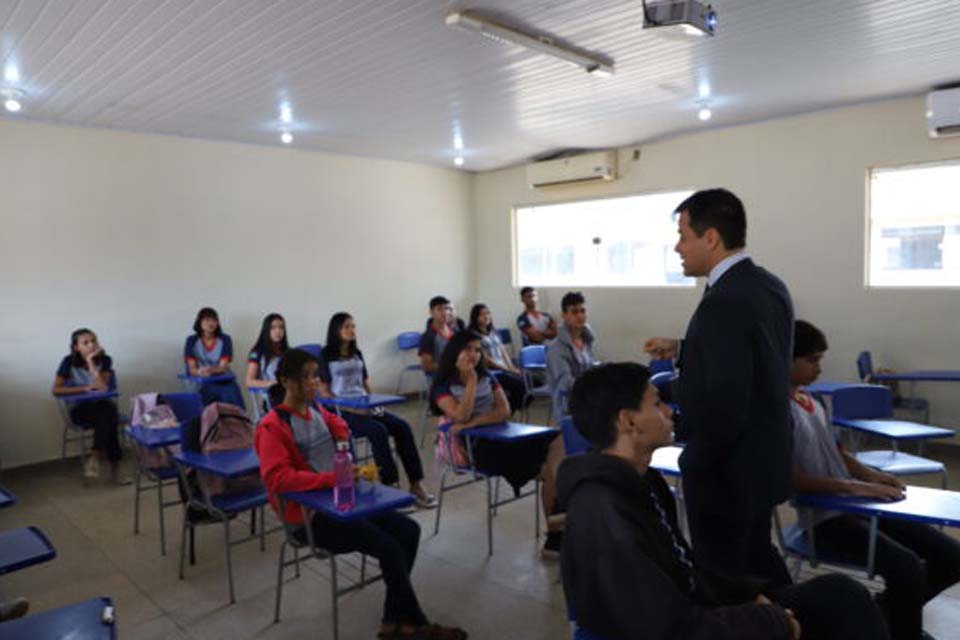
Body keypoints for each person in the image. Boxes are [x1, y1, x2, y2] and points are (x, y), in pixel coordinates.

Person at [558, 362, 889, 640]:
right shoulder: (603, 510)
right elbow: (666, 627)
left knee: (841, 595)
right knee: (832, 614)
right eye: (657, 404)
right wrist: (770, 621)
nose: (669, 412)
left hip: (692, 611)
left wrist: (747, 595)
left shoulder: (644, 481)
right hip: (674, 628)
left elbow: (684, 568)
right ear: (628, 421)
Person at [255, 349, 467, 640]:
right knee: (390, 548)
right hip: (310, 517)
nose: (312, 383)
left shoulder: (315, 409)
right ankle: (416, 623)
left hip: (342, 502)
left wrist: (341, 441)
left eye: (314, 376)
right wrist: (333, 477)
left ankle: (393, 621)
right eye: (303, 378)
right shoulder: (272, 426)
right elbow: (278, 478)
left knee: (409, 530)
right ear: (284, 382)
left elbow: (339, 423)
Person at [644, 188, 794, 587]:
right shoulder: (768, 285)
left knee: (725, 580)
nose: (678, 247)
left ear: (710, 238)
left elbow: (726, 405)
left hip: (727, 473)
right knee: (757, 559)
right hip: (763, 461)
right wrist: (683, 347)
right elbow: (754, 358)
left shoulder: (723, 301)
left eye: (683, 235)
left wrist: (693, 461)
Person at [790, 320, 960, 640]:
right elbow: (790, 480)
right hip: (823, 520)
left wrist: (873, 476)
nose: (818, 369)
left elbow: (838, 453)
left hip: (856, 507)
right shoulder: (775, 412)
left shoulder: (814, 402)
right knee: (906, 566)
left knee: (952, 557)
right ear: (784, 359)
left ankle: (888, 612)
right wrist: (856, 486)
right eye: (811, 361)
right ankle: (902, 629)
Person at [319, 312, 436, 508]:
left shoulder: (357, 353)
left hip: (367, 406)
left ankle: (416, 484)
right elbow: (325, 394)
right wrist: (353, 408)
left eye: (353, 326)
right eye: (347, 326)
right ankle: (390, 487)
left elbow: (366, 384)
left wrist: (375, 404)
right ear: (336, 330)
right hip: (344, 412)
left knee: (402, 426)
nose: (352, 330)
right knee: (378, 431)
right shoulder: (325, 355)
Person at [430, 332, 552, 494]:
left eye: (478, 350)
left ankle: (553, 480)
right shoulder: (442, 385)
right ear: (455, 351)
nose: (473, 354)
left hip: (498, 431)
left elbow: (504, 410)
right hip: (473, 445)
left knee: (548, 442)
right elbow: (461, 416)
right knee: (536, 462)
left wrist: (475, 422)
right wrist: (471, 381)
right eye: (468, 349)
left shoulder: (486, 376)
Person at [52, 328, 129, 484]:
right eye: (85, 343)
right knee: (110, 415)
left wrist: (90, 362)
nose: (91, 345)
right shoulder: (68, 362)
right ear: (76, 347)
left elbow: (102, 387)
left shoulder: (105, 360)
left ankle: (94, 456)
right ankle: (115, 472)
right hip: (80, 410)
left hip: (102, 408)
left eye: (94, 341)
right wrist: (84, 388)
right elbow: (56, 389)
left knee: (107, 414)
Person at [467, 303, 525, 413]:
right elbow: (485, 359)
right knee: (520, 384)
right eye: (482, 314)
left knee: (531, 381)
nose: (486, 317)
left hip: (503, 369)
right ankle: (507, 411)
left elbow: (504, 353)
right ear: (475, 317)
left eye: (488, 313)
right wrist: (506, 370)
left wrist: (511, 368)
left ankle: (509, 409)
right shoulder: (473, 335)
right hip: (491, 371)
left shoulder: (493, 332)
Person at [183, 307, 245, 409]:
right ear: (199, 322)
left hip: (223, 380)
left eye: (214, 320)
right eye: (207, 320)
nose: (211, 323)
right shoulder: (191, 341)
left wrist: (211, 370)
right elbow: (192, 369)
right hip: (202, 381)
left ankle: (238, 422)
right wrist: (200, 372)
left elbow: (223, 367)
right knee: (205, 396)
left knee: (231, 391)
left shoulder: (225, 339)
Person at [418, 296, 461, 375]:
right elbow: (427, 366)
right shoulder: (428, 336)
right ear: (431, 312)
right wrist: (451, 365)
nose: (445, 312)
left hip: (457, 375)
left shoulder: (455, 331)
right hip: (441, 379)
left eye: (447, 308)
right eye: (439, 309)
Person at [246, 313, 289, 389]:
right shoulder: (257, 352)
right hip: (274, 392)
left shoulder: (288, 350)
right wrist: (273, 384)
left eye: (281, 327)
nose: (278, 331)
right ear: (266, 330)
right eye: (273, 328)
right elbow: (249, 381)